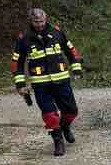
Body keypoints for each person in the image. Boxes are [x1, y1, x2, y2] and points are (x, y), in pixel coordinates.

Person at [11, 8, 83, 156]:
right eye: (36, 22)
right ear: (31, 21)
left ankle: (65, 127)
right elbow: (16, 63)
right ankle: (58, 141)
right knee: (49, 115)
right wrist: (20, 84)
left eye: (42, 21)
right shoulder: (23, 38)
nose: (39, 24)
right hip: (41, 84)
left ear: (46, 19)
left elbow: (71, 51)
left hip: (61, 80)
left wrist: (76, 68)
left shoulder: (57, 32)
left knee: (71, 111)